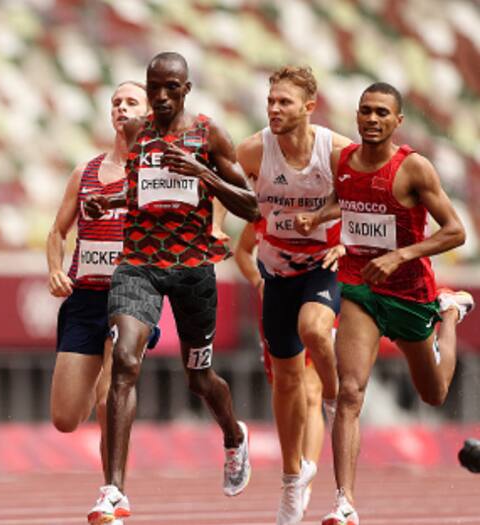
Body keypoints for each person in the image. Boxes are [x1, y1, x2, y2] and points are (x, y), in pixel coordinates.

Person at [83, 52, 260, 525]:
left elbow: (251, 206)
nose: (160, 97)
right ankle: (114, 491)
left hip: (193, 272)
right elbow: (143, 189)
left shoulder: (208, 134)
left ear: (187, 89)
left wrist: (202, 172)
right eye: (153, 87)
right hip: (138, 265)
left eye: (170, 88)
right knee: (123, 362)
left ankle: (233, 434)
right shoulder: (136, 135)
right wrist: (108, 202)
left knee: (198, 379)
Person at [294, 82, 473, 525]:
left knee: (433, 394)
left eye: (381, 113)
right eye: (365, 111)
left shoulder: (413, 169)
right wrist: (318, 217)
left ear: (397, 121)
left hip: (410, 292)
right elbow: (348, 198)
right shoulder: (344, 161)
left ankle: (449, 312)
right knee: (350, 392)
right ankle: (344, 503)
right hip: (359, 287)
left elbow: (455, 231)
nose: (372, 119)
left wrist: (400, 255)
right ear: (356, 116)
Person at [232, 66, 349, 525]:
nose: (274, 108)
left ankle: (339, 397)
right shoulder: (252, 150)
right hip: (275, 271)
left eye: (284, 101)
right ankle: (291, 479)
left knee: (313, 329)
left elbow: (366, 202)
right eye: (271, 100)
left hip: (324, 265)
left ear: (309, 106)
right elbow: (226, 195)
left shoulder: (336, 151)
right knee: (286, 382)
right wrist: (211, 227)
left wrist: (337, 230)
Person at [46, 81, 159, 484]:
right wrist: (56, 270)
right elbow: (57, 233)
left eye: (132, 102)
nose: (122, 108)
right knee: (65, 418)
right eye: (116, 102)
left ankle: (113, 492)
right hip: (85, 298)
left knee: (108, 395)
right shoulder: (87, 172)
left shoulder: (157, 175)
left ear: (149, 112)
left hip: (130, 297)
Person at [233, 222, 330, 523]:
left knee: (313, 392)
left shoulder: (316, 210)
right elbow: (242, 252)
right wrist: (258, 283)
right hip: (277, 303)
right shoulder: (265, 212)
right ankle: (293, 467)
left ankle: (305, 481)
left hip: (315, 299)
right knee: (288, 388)